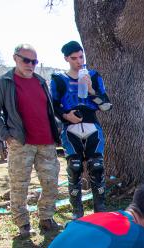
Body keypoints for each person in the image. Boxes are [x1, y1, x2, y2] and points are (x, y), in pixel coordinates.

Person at [0, 43, 62, 238]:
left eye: (34, 61)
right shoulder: (5, 82)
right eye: (26, 60)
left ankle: (46, 218)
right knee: (19, 185)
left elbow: (48, 110)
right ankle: (23, 224)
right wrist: (5, 135)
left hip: (46, 142)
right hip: (21, 143)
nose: (30, 64)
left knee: (51, 183)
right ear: (15, 58)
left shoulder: (40, 81)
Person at [51, 40, 112, 219]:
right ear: (66, 59)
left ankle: (100, 211)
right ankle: (77, 213)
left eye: (81, 57)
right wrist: (65, 116)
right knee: (74, 167)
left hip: (92, 125)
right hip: (70, 128)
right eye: (74, 58)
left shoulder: (93, 76)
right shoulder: (58, 79)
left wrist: (91, 90)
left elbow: (107, 106)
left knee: (97, 166)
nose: (79, 61)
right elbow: (52, 105)